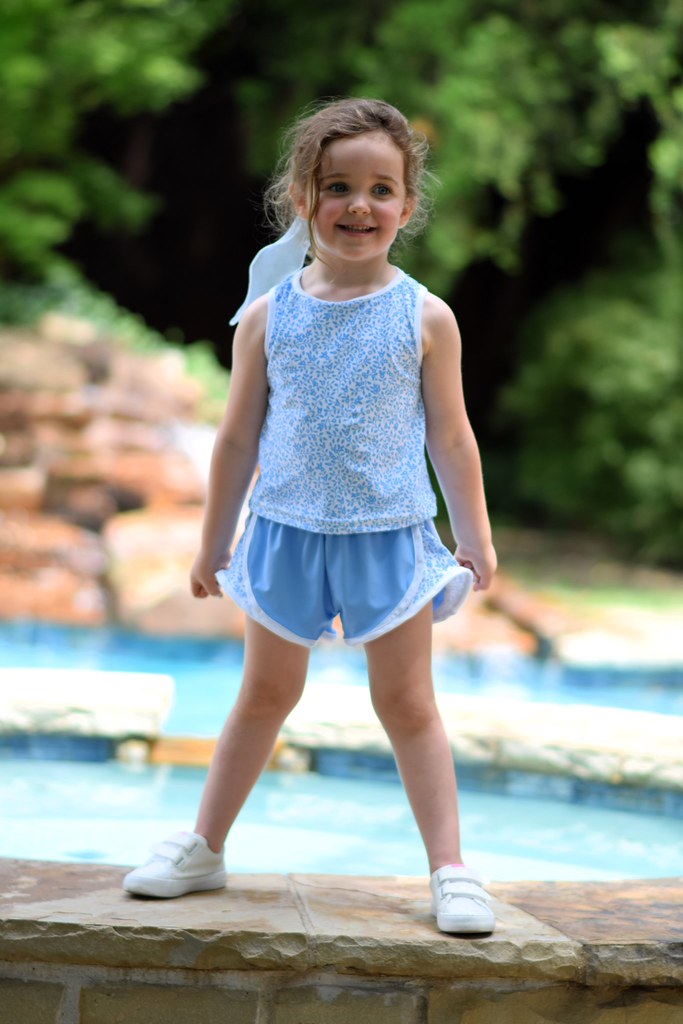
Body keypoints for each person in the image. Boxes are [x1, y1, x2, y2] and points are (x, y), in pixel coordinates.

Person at [123, 98, 497, 935]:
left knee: (407, 704)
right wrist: (211, 545)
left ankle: (452, 871)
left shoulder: (425, 317)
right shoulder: (267, 317)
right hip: (285, 533)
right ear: (302, 197)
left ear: (406, 205)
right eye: (337, 186)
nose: (358, 206)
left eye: (380, 189)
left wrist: (471, 536)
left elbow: (451, 436)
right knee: (263, 694)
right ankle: (203, 847)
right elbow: (232, 441)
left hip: (388, 538)